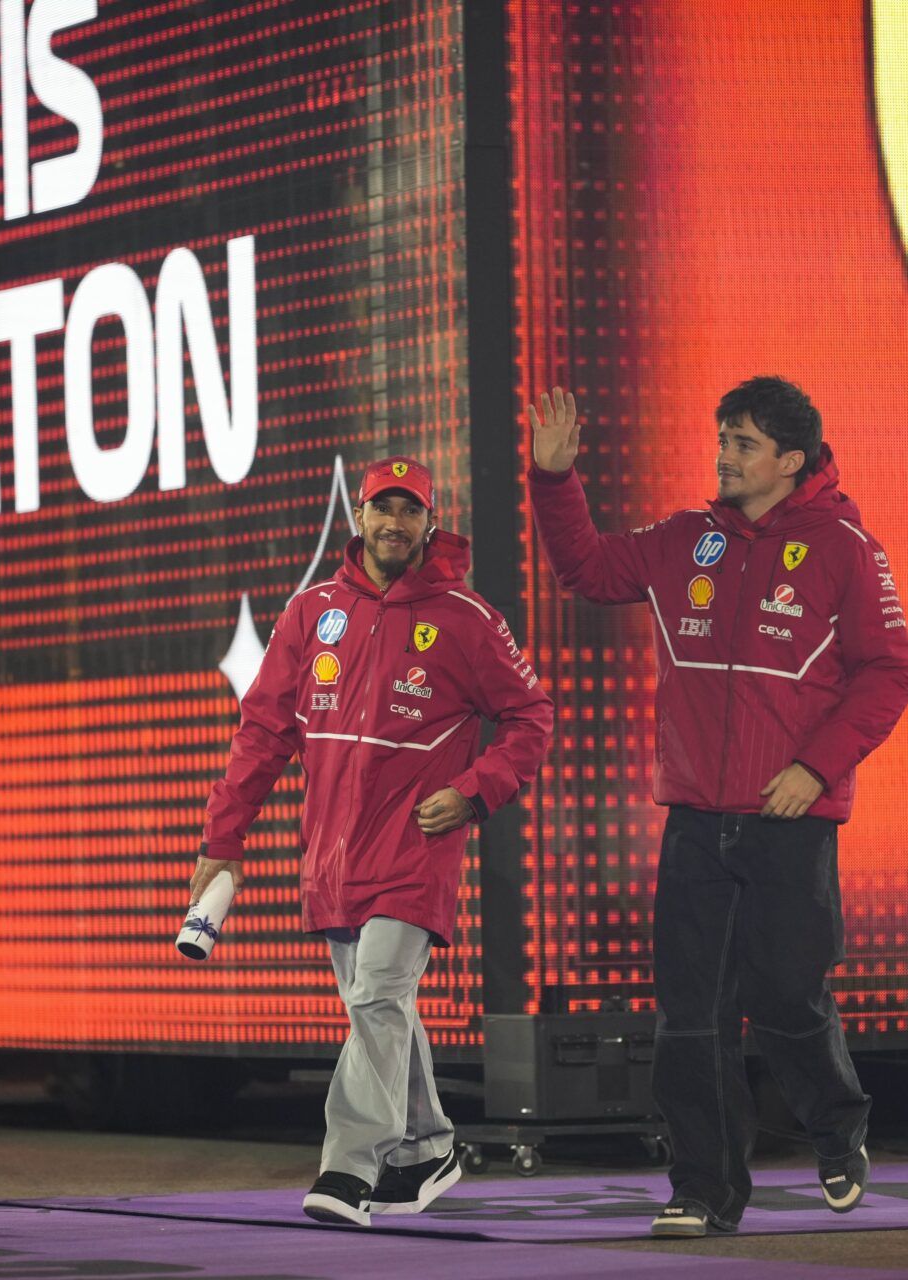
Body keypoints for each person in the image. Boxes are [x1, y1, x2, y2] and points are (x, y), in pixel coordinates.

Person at [526, 377, 908, 1237]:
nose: (724, 456)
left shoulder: (846, 547)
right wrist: (554, 479)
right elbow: (587, 569)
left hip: (790, 822)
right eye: (722, 440)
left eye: (743, 443)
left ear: (791, 459)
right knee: (690, 1019)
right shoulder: (684, 540)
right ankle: (703, 1190)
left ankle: (837, 1127)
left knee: (786, 997)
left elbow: (889, 674)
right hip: (696, 822)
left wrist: (814, 769)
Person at [195, 455, 553, 1226]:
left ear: (431, 521)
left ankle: (349, 1168)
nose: (395, 523)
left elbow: (531, 717)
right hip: (333, 855)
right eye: (382, 508)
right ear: (359, 516)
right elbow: (263, 734)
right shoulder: (311, 612)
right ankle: (426, 1147)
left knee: (378, 995)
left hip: (416, 846)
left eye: (410, 510)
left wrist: (474, 789)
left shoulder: (465, 617)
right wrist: (223, 839)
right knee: (379, 1010)